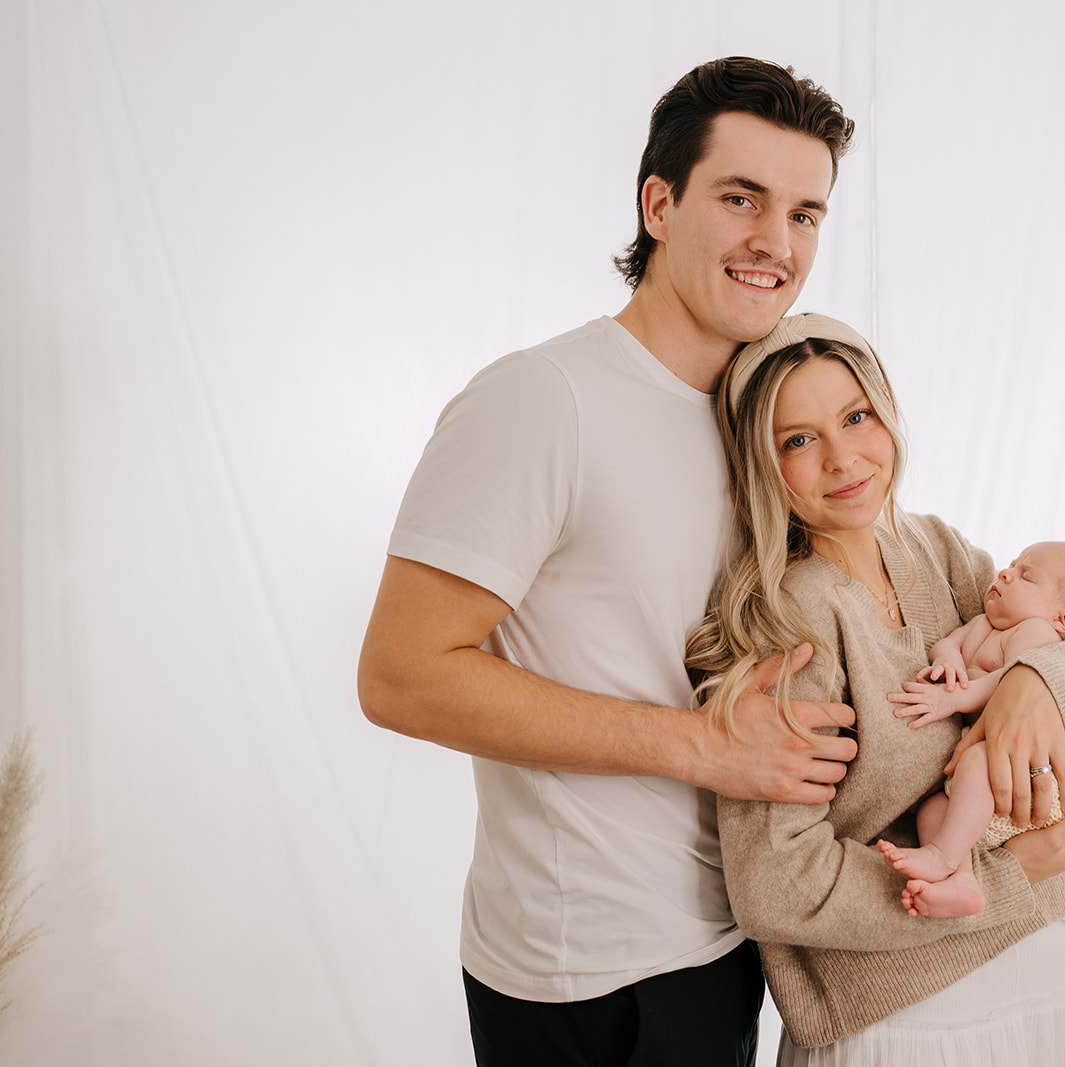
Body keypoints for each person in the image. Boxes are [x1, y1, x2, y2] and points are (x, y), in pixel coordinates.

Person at [357, 58, 865, 1066]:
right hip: (582, 972)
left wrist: (1035, 675)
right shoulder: (545, 399)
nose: (778, 241)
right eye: (742, 198)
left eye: (806, 213)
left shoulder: (769, 415)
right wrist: (702, 746)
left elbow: (905, 586)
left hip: (728, 943)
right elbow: (401, 674)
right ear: (659, 204)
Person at [687, 313, 1065, 1063]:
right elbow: (778, 883)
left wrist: (1035, 681)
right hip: (901, 1012)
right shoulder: (791, 619)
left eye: (856, 416)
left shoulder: (935, 548)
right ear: (761, 464)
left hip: (1035, 964)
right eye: (798, 439)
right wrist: (1009, 874)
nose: (842, 458)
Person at [880, 541, 1065, 917]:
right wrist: (948, 659)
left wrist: (952, 700)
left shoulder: (1035, 633)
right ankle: (957, 874)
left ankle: (945, 856)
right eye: (1011, 565)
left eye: (1026, 575)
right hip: (985, 762)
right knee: (933, 806)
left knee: (978, 760)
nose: (1005, 573)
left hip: (1033, 769)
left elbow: (1010, 684)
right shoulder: (983, 623)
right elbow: (948, 643)